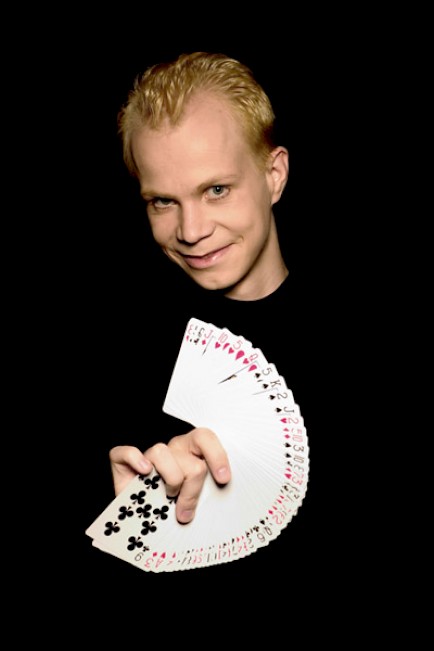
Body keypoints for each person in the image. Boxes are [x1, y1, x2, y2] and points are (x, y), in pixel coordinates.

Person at [85, 51, 348, 598]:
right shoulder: (109, 361)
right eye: (163, 201)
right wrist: (139, 518)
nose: (191, 230)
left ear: (274, 176)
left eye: (216, 190)